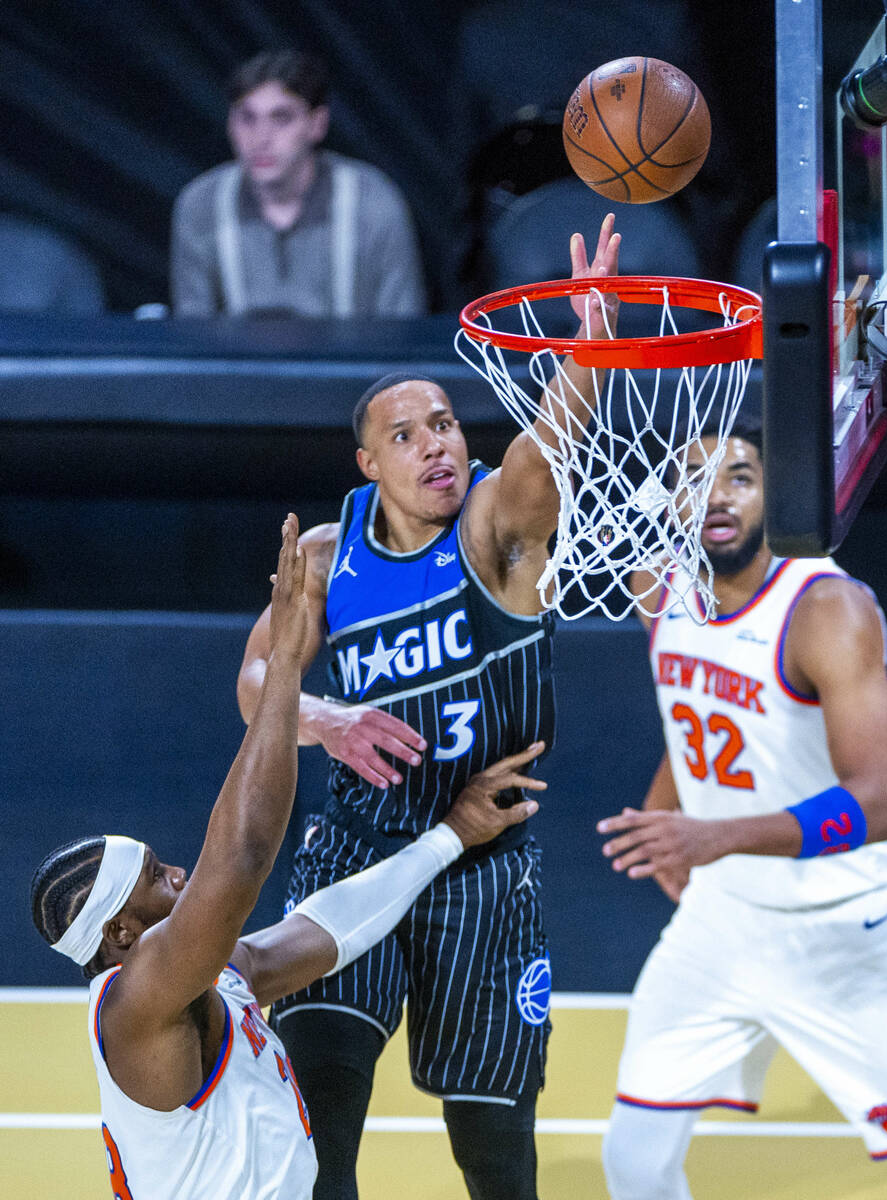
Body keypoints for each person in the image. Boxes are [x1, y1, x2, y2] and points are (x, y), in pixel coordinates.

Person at [237, 217, 621, 1199]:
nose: (434, 445)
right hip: (357, 849)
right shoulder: (327, 553)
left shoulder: (494, 522)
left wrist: (588, 338)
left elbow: (544, 449)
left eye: (443, 423)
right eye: (404, 435)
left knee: (492, 1154)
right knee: (318, 1124)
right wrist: (324, 719)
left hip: (481, 865)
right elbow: (253, 683)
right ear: (369, 463)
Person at [29, 515, 545, 1200]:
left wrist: (450, 834)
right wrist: (285, 672)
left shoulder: (211, 978)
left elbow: (327, 928)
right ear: (122, 934)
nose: (179, 873)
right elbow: (241, 856)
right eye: (156, 878)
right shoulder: (139, 1001)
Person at [596, 422, 887, 1200]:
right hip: (726, 922)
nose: (715, 495)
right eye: (694, 478)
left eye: (739, 475)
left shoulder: (827, 609)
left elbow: (877, 803)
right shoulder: (660, 591)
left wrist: (710, 836)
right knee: (633, 1155)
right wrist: (671, 813)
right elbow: (697, 708)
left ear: (781, 491)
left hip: (858, 923)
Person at [170, 51, 427, 318]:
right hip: (240, 361)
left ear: (317, 124)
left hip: (346, 359)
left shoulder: (372, 202)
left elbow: (402, 332)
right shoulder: (201, 204)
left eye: (281, 118)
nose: (261, 139)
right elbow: (193, 336)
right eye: (247, 118)